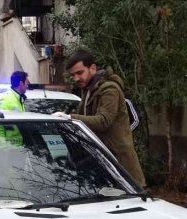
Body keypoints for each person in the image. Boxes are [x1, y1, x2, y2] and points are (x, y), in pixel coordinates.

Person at [52, 50, 147, 188]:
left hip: (120, 167)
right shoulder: (88, 90)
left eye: (80, 73)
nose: (76, 78)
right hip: (102, 164)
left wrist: (69, 117)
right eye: (73, 75)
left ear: (93, 68)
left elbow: (103, 121)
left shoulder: (109, 90)